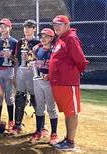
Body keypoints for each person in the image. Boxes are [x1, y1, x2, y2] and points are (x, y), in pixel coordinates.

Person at [50, 15, 88, 151]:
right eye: (54, 24)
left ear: (67, 25)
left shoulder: (71, 38)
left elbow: (81, 60)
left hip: (67, 83)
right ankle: (67, 139)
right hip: (59, 83)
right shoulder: (61, 39)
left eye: (59, 24)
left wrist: (74, 74)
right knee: (67, 111)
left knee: (71, 112)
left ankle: (70, 142)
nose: (56, 27)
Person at [29, 28, 58, 145]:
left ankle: (54, 134)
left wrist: (50, 76)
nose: (44, 39)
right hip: (38, 81)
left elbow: (58, 67)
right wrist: (31, 64)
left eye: (47, 36)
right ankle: (39, 131)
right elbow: (32, 62)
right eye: (42, 36)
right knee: (39, 106)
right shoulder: (37, 48)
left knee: (51, 107)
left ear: (51, 38)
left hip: (50, 82)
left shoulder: (55, 50)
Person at [12, 19, 41, 134]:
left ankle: (41, 126)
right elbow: (15, 60)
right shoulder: (20, 42)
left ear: (34, 29)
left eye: (29, 27)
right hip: (21, 71)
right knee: (19, 97)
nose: (27, 29)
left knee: (35, 98)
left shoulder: (38, 42)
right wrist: (14, 74)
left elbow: (40, 59)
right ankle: (17, 124)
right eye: (25, 27)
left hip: (32, 72)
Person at [0, 18, 18, 132]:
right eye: (1, 27)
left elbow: (17, 60)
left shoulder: (15, 42)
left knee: (9, 97)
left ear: (10, 28)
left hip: (9, 70)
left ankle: (11, 121)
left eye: (5, 26)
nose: (2, 29)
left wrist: (10, 56)